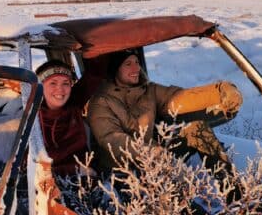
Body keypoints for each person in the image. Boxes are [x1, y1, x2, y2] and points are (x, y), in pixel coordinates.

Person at [87, 49, 242, 176]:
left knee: (197, 129)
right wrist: (150, 151)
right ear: (115, 69)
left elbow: (178, 98)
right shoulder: (101, 101)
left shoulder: (148, 90)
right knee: (184, 208)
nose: (136, 68)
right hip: (122, 171)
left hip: (155, 156)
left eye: (136, 62)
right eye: (128, 64)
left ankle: (234, 197)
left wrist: (220, 92)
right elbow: (112, 139)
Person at [35, 60, 92, 178]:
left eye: (66, 83)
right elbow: (33, 170)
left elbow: (95, 74)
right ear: (40, 87)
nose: (60, 89)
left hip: (87, 178)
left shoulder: (74, 106)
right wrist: (75, 170)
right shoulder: (31, 120)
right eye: (53, 83)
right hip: (48, 186)